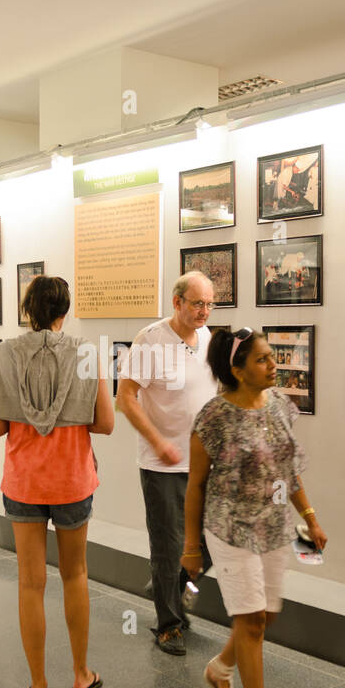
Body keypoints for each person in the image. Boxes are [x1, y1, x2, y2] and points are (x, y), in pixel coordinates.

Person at [182, 327, 327, 688]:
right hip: (229, 528)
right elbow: (195, 485)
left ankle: (221, 668)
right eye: (263, 359)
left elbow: (289, 470)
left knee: (266, 617)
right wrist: (191, 547)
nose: (273, 364)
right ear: (237, 370)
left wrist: (310, 516)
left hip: (275, 525)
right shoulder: (213, 418)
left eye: (271, 356)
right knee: (252, 622)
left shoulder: (282, 406)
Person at [0, 276, 113, 688]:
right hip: (72, 479)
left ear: (28, 308)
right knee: (75, 574)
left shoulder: (3, 354)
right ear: (65, 310)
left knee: (30, 582)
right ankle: (80, 674)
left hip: (23, 480)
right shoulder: (87, 354)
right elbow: (106, 423)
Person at [117, 272, 218, 656]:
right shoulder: (150, 340)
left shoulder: (208, 338)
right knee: (168, 545)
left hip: (203, 464)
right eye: (197, 303)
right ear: (177, 302)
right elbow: (125, 397)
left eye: (210, 303)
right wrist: (157, 441)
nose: (204, 311)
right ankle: (169, 625)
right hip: (162, 467)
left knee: (209, 544)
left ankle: (168, 586)